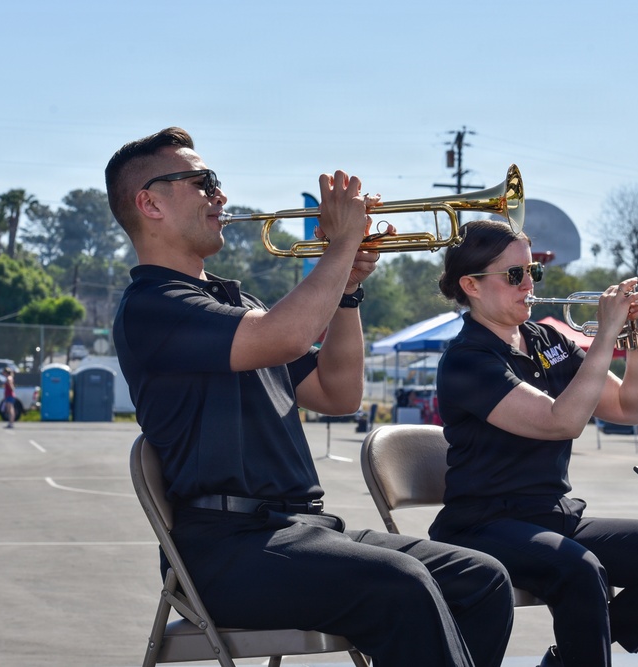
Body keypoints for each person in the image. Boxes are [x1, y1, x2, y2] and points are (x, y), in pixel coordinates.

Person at [106, 127, 514, 667]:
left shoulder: (235, 300)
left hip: (299, 530)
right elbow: (286, 335)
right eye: (203, 181)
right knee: (402, 585)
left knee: (482, 579)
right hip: (226, 547)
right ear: (149, 202)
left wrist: (346, 292)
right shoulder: (151, 306)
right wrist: (342, 244)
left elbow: (338, 392)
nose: (220, 195)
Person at [428, 219, 638, 667]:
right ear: (471, 285)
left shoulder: (546, 341)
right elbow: (559, 422)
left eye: (532, 272)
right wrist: (605, 333)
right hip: (482, 522)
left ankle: (570, 658)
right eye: (514, 275)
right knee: (579, 571)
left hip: (552, 514)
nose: (529, 284)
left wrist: (633, 339)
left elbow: (631, 409)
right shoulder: (467, 359)